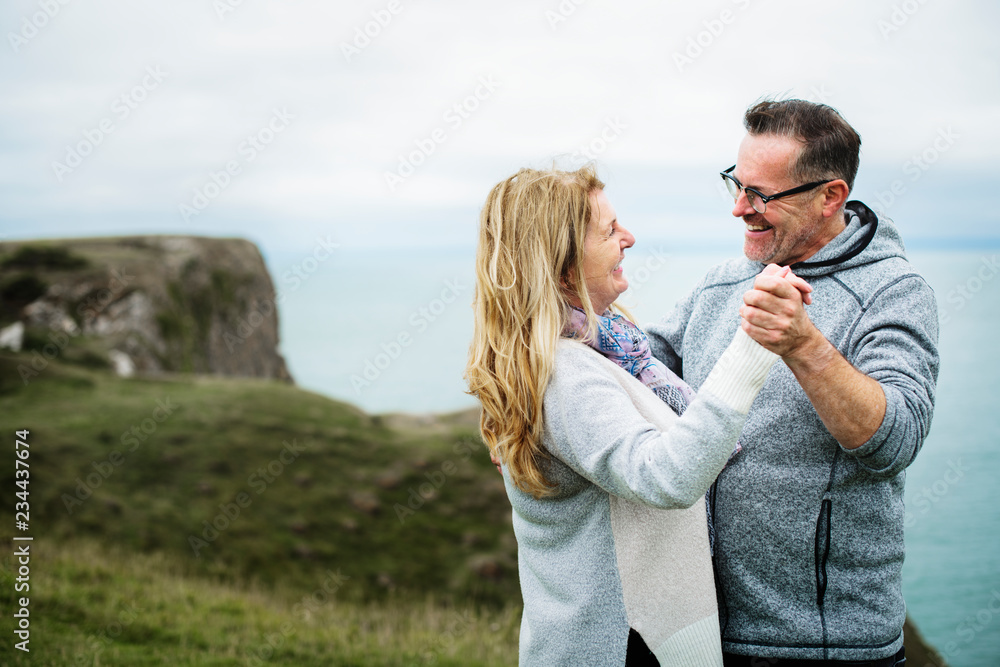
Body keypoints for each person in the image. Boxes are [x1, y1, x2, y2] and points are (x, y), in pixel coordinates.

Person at [466, 165, 809, 666]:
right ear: (561, 265)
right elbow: (667, 477)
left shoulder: (605, 351)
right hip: (621, 647)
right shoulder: (566, 376)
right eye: (608, 231)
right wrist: (755, 347)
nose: (628, 238)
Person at [646, 99, 939, 666]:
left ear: (831, 196)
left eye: (760, 195)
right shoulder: (722, 281)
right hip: (698, 631)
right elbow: (642, 365)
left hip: (826, 646)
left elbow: (895, 442)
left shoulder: (895, 291)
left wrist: (803, 344)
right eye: (736, 184)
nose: (738, 209)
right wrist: (533, 392)